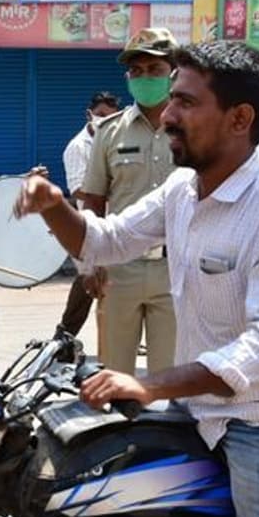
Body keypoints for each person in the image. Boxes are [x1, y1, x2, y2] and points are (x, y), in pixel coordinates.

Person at [16, 41, 259, 517]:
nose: (169, 115)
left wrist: (150, 383)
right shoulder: (185, 187)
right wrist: (55, 204)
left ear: (239, 118)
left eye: (185, 101)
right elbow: (106, 241)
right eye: (171, 100)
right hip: (200, 409)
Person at [81, 28, 179, 375]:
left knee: (171, 377)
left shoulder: (194, 129)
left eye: (155, 70)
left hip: (178, 269)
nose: (145, 78)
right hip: (119, 270)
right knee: (114, 376)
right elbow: (93, 200)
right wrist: (89, 262)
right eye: (136, 71)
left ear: (174, 73)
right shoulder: (109, 132)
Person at [56, 91, 121, 337]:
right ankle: (63, 338)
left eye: (112, 116)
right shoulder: (77, 147)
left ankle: (119, 335)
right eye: (101, 116)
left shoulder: (117, 141)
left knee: (109, 282)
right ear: (89, 115)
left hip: (115, 223)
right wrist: (113, 191)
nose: (106, 121)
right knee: (87, 280)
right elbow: (78, 189)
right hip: (89, 224)